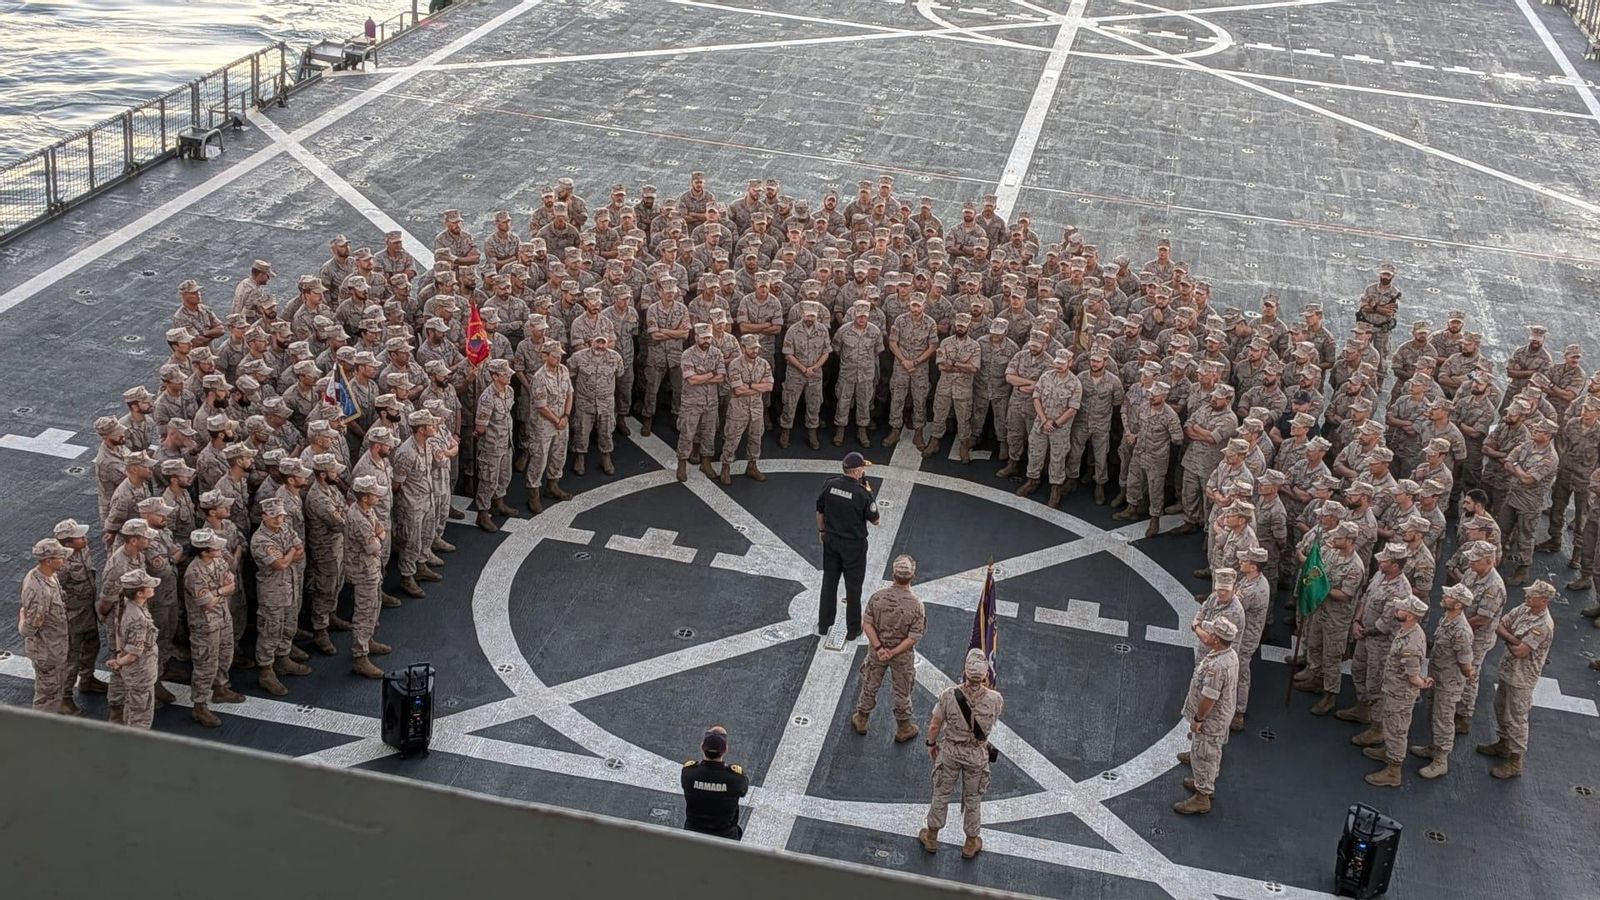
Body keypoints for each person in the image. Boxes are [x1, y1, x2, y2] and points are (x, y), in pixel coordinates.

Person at [920, 648, 1002, 858]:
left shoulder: (949, 695)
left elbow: (934, 725)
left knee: (941, 794)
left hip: (950, 752)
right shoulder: (995, 699)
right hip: (976, 755)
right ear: (985, 673)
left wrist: (931, 744)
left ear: (965, 670)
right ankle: (971, 841)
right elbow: (992, 721)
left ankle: (932, 835)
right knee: (973, 799)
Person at [1477, 579, 1557, 778]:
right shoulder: (1524, 608)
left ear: (1544, 600)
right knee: (1500, 707)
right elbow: (1499, 625)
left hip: (1522, 677)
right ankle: (1503, 744)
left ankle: (1515, 761)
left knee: (1517, 719)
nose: (1527, 596)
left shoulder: (1543, 625)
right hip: (1508, 670)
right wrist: (1514, 638)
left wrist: (1510, 638)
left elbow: (1520, 652)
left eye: (1533, 595)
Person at [851, 554, 927, 742]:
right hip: (902, 655)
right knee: (902, 690)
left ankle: (862, 718)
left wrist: (879, 648)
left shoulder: (877, 597)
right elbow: (914, 637)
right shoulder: (916, 605)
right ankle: (904, 727)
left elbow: (867, 624)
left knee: (870, 683)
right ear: (912, 576)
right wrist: (893, 652)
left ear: (893, 574)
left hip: (877, 651)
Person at [1361, 595, 1431, 787]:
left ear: (1410, 615)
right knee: (1391, 726)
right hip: (1393, 689)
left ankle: (1394, 770)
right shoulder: (1407, 630)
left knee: (1397, 730)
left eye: (1401, 609)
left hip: (1400, 694)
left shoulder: (1411, 644)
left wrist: (1424, 683)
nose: (1396, 610)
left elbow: (1413, 677)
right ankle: (1388, 751)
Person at [1175, 617, 1239, 815]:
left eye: (1212, 633)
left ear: (1217, 639)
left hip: (1211, 720)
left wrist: (1198, 719)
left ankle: (1202, 796)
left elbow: (1209, 698)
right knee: (1211, 752)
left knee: (1204, 753)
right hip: (1219, 718)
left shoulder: (1217, 666)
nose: (1208, 635)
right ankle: (1203, 782)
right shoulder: (1229, 655)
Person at [1411, 584, 1474, 779]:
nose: (1444, 597)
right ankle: (1434, 747)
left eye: (1449, 596)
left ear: (1458, 604)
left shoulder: (1461, 630)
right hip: (1437, 675)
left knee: (1443, 718)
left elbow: (1466, 665)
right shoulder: (1447, 618)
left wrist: (1463, 674)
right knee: (1433, 712)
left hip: (1449, 681)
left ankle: (1441, 760)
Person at [816, 451, 879, 639]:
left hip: (831, 541)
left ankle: (824, 624)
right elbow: (875, 519)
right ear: (857, 471)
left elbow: (819, 511)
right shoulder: (862, 493)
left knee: (829, 582)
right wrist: (870, 493)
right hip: (853, 546)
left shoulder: (830, 484)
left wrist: (822, 531)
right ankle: (853, 629)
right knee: (853, 587)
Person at [18, 538, 72, 714]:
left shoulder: (49, 576)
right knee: (47, 697)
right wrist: (22, 619)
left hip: (55, 648)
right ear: (49, 561)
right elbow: (29, 629)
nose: (64, 560)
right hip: (47, 653)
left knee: (55, 691)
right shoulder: (40, 591)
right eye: (60, 557)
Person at [105, 569, 160, 730]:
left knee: (131, 707)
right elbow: (133, 655)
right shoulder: (138, 619)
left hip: (133, 672)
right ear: (140, 593)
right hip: (141, 672)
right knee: (141, 716)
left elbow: (118, 634)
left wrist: (118, 658)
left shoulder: (125, 605)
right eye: (149, 586)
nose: (152, 588)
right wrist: (118, 662)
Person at [681, 726, 748, 840]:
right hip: (725, 840)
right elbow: (743, 790)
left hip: (692, 838)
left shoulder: (688, 773)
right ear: (725, 749)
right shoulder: (736, 778)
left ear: (702, 747)